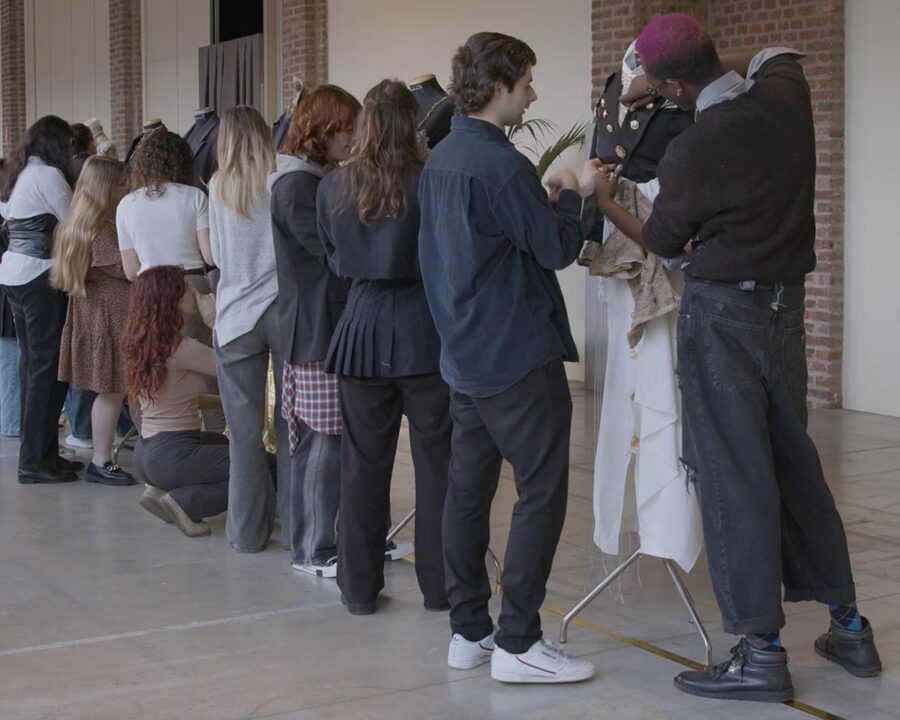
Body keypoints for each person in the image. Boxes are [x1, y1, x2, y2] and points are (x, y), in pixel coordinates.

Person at [594, 13, 881, 703]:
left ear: (665, 84)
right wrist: (683, 70)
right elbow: (773, 51)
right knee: (794, 465)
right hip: (785, 313)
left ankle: (759, 652)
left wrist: (605, 196)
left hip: (723, 316)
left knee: (731, 477)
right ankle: (849, 625)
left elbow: (664, 243)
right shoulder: (786, 91)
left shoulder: (696, 148)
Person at [417, 32, 598, 684]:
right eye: (527, 82)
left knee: (467, 494)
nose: (534, 93)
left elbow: (487, 245)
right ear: (499, 87)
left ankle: (469, 632)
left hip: (464, 355)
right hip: (517, 358)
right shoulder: (500, 167)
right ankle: (519, 639)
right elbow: (555, 248)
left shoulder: (440, 161)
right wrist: (576, 189)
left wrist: (543, 203)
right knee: (541, 494)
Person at [318, 79, 451, 615]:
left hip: (361, 328)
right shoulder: (431, 180)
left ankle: (357, 589)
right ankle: (442, 588)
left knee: (362, 467)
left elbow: (332, 260)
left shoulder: (331, 188)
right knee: (438, 466)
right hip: (424, 329)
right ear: (410, 123)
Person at [269, 84, 360, 576]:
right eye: (347, 126)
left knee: (330, 441)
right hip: (316, 331)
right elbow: (333, 257)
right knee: (322, 444)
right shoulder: (297, 188)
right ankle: (311, 547)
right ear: (323, 129)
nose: (354, 136)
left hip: (325, 327)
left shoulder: (313, 181)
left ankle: (323, 540)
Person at [207, 106, 287, 553]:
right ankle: (298, 530)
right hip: (280, 306)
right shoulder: (279, 181)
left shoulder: (216, 187)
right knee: (291, 426)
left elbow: (216, 256)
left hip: (235, 314)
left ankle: (246, 534)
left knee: (243, 434)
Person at [116, 129, 223, 432]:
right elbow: (210, 256)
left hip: (147, 290)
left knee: (151, 366)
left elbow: (129, 269)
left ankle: (155, 435)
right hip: (189, 285)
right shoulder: (194, 197)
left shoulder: (126, 204)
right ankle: (216, 436)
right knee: (207, 369)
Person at [0, 115, 84, 484]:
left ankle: (43, 455)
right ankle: (34, 463)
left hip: (14, 275)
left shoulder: (19, 172)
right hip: (39, 276)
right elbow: (73, 222)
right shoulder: (48, 175)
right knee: (46, 371)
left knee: (33, 367)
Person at [123, 265, 227, 538]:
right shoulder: (181, 348)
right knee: (259, 468)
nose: (194, 292)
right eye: (186, 289)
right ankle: (185, 501)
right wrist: (216, 321)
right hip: (174, 454)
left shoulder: (143, 343)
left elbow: (174, 398)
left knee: (227, 446)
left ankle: (162, 491)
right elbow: (233, 365)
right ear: (171, 300)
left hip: (148, 453)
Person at [51, 155, 135, 486]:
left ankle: (112, 456)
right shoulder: (100, 229)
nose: (126, 187)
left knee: (118, 391)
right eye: (120, 183)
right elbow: (127, 269)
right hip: (108, 322)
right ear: (105, 189)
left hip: (99, 318)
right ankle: (101, 460)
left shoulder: (79, 222)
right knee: (113, 391)